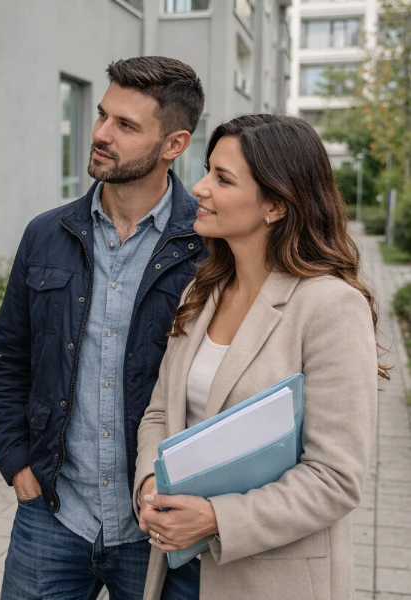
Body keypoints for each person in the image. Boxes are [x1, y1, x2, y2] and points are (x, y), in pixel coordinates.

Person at [134, 114, 386, 600]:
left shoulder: (330, 306)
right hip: (176, 570)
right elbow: (161, 412)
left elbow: (335, 478)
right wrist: (149, 484)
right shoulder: (201, 292)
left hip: (269, 578)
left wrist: (215, 519)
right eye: (207, 170)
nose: (199, 188)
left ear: (274, 204)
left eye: (222, 178)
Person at [0, 56, 206, 599]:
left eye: (126, 125)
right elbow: (9, 357)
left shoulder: (207, 250)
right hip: (54, 515)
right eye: (103, 115)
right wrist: (15, 461)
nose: (101, 134)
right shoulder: (46, 234)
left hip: (158, 528)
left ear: (174, 144)